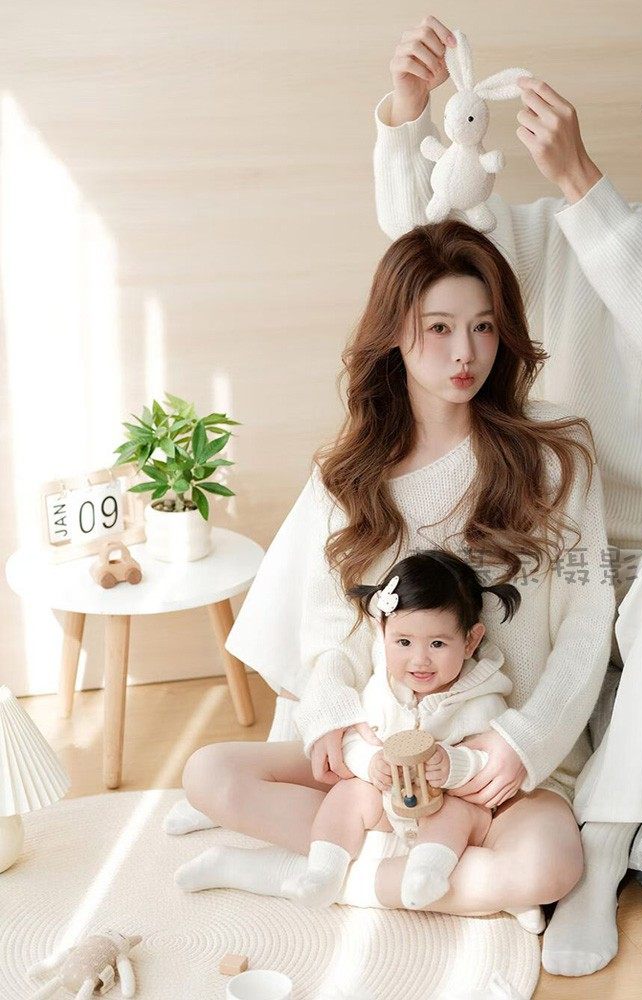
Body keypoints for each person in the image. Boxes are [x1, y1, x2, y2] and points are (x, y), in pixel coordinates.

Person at [376, 16, 642, 976]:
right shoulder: (561, 236)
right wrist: (405, 120)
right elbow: (427, 255)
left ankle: (606, 846)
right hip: (569, 562)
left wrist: (583, 182)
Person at [172, 219, 616, 929]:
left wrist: (523, 741)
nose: (465, 352)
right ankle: (419, 874)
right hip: (381, 759)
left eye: (483, 327)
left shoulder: (556, 455)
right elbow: (328, 638)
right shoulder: (349, 476)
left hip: (495, 771)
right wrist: (340, 725)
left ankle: (304, 871)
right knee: (208, 773)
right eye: (439, 328)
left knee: (549, 867)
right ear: (395, 334)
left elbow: (589, 621)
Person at [284, 549, 528, 922]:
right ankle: (324, 872)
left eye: (437, 644)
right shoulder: (381, 690)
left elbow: (490, 761)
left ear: (470, 641)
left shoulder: (482, 698)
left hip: (448, 811)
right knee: (346, 795)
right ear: (383, 633)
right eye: (404, 643)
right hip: (389, 805)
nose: (419, 660)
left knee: (457, 811)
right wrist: (371, 763)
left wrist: (454, 766)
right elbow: (355, 740)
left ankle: (426, 872)